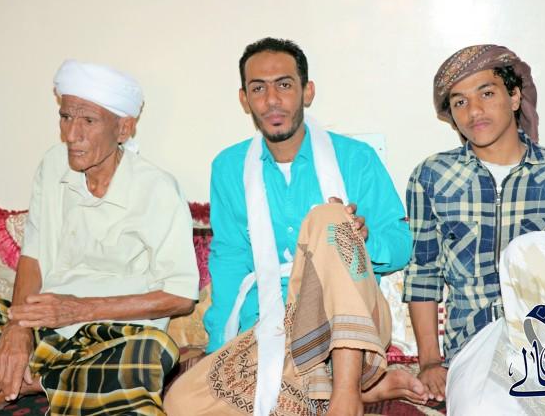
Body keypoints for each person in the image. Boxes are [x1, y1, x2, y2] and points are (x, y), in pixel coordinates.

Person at [164, 37, 425, 415]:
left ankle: (347, 394)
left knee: (329, 217)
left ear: (307, 91)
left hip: (350, 327)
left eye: (284, 85)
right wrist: (221, 344)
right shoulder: (228, 167)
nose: (272, 100)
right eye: (258, 88)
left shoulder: (356, 158)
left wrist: (361, 240)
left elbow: (400, 244)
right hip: (270, 324)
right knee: (181, 402)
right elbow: (229, 257)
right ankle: (355, 388)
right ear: (244, 99)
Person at [403, 44, 545, 414]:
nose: (474, 111)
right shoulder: (433, 177)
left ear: (515, 96)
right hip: (478, 344)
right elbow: (424, 274)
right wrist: (429, 362)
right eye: (459, 102)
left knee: (531, 248)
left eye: (486, 94)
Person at [0, 60, 199, 415]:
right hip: (45, 325)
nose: (71, 134)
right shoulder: (53, 165)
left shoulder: (156, 189)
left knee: (151, 352)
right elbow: (33, 255)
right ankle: (48, 379)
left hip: (112, 337)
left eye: (88, 121)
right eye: (66, 117)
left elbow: (180, 297)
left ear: (124, 128)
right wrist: (18, 326)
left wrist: (79, 309)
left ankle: (30, 382)